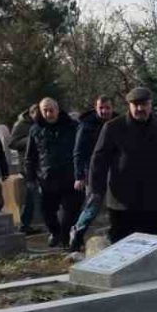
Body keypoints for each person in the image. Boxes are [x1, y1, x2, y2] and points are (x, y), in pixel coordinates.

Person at [90, 87, 157, 242]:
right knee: (121, 243)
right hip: (121, 200)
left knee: (150, 243)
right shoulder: (113, 128)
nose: (140, 108)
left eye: (144, 104)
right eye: (136, 105)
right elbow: (99, 160)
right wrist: (96, 189)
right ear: (129, 105)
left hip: (152, 199)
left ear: (150, 104)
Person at [24, 97, 81, 248]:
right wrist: (31, 178)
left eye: (51, 110)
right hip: (47, 178)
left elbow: (81, 150)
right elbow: (30, 157)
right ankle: (55, 233)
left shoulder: (72, 126)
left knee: (70, 212)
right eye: (45, 111)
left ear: (57, 109)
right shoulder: (35, 129)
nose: (48, 114)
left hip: (69, 176)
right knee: (47, 212)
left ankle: (65, 240)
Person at [66, 95, 114, 253]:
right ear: (96, 108)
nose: (104, 111)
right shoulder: (86, 125)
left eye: (107, 108)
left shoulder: (117, 122)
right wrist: (79, 176)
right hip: (93, 171)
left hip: (114, 170)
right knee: (92, 205)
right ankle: (77, 234)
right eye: (101, 108)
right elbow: (78, 152)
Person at [9, 103, 43, 235]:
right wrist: (30, 140)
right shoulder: (21, 125)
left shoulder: (42, 122)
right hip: (27, 164)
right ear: (31, 113)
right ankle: (24, 223)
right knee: (29, 195)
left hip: (42, 164)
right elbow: (12, 143)